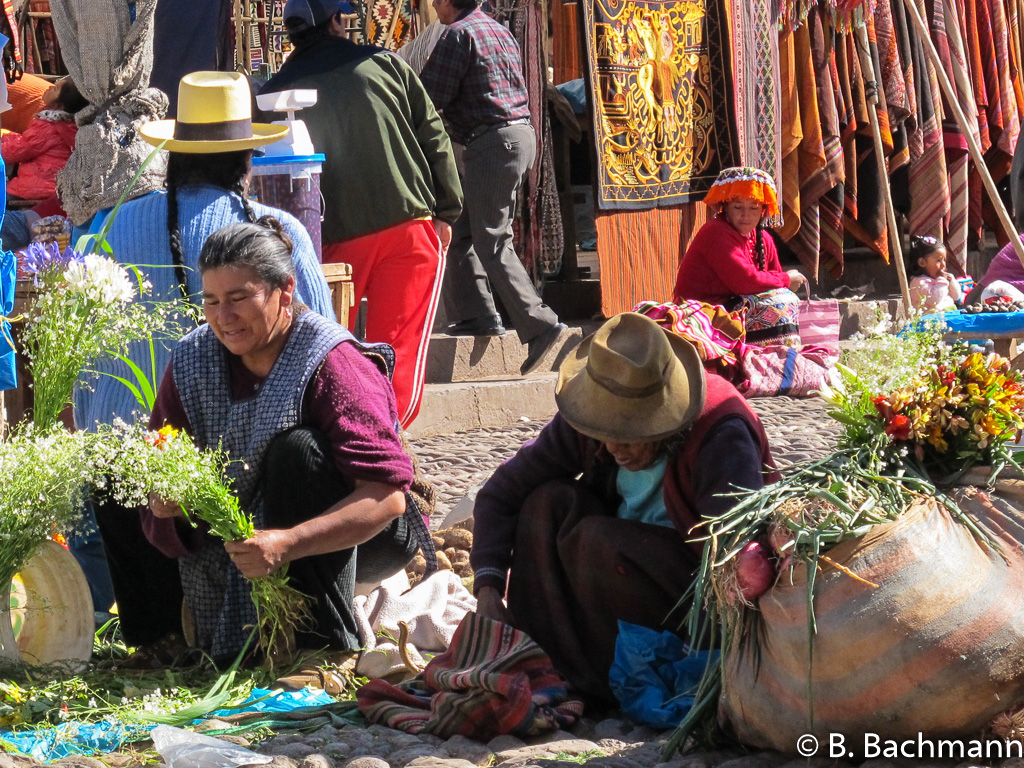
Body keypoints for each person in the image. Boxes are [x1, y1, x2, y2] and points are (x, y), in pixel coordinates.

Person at [75, 71, 334, 667]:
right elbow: (323, 350)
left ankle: (158, 634)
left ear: (173, 154)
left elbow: (84, 370)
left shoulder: (108, 228)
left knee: (117, 452)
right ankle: (278, 629)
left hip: (133, 485)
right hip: (233, 490)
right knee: (294, 450)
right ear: (247, 158)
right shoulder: (278, 235)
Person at [145, 219, 434, 663]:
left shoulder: (331, 360)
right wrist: (165, 498)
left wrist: (289, 542)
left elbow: (387, 498)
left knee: (297, 451)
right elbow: (161, 454)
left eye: (240, 298)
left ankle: (324, 648)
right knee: (113, 474)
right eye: (212, 300)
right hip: (246, 534)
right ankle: (158, 638)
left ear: (285, 290)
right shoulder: (192, 358)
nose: (224, 317)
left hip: (368, 534)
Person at [470, 312, 780, 702]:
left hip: (693, 594)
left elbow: (736, 561)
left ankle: (595, 676)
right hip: (611, 575)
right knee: (546, 503)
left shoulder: (720, 431)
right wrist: (488, 591)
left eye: (630, 436)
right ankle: (546, 658)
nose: (614, 448)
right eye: (607, 434)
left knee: (599, 541)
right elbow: (502, 492)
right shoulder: (590, 418)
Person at [263, 0, 463, 429]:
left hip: (326, 242)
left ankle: (348, 437)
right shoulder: (385, 65)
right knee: (399, 349)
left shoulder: (274, 90)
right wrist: (447, 209)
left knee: (332, 353)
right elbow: (434, 135)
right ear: (336, 20)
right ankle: (386, 440)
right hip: (405, 228)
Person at [419, 0, 567, 376]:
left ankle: (540, 325)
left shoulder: (457, 36)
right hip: (517, 136)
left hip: (493, 143)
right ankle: (477, 316)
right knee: (462, 230)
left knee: (491, 238)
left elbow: (428, 97)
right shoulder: (496, 29)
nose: (435, 3)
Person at [673, 167, 807, 345]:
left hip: (732, 310)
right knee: (779, 302)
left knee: (783, 298)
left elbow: (773, 284)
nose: (746, 215)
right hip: (702, 313)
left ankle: (783, 359)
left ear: (763, 210)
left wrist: (783, 283)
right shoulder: (715, 232)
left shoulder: (764, 238)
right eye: (738, 207)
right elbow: (745, 282)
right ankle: (768, 360)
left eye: (754, 208)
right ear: (725, 208)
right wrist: (786, 279)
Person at [1, 77, 87, 200]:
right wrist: (9, 137)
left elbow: (18, 151)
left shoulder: (48, 124)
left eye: (55, 88)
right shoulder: (71, 124)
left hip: (37, 186)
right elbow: (30, 142)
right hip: (58, 186)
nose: (49, 87)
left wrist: (3, 145)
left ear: (60, 104)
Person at [907, 235, 962, 312]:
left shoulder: (939, 280)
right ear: (922, 262)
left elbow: (956, 296)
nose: (943, 265)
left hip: (948, 315)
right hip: (931, 321)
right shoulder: (919, 282)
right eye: (938, 261)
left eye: (944, 260)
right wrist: (942, 280)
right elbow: (934, 301)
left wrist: (951, 281)